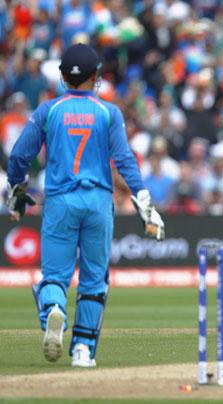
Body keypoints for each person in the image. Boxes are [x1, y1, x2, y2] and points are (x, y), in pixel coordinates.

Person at [6, 43, 165, 368]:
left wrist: (17, 189)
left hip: (61, 201)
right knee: (94, 279)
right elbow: (124, 159)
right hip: (98, 203)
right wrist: (144, 201)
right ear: (96, 77)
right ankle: (82, 350)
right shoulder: (108, 112)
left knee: (54, 275)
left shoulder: (48, 110)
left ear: (63, 76)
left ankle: (55, 310)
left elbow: (20, 155)